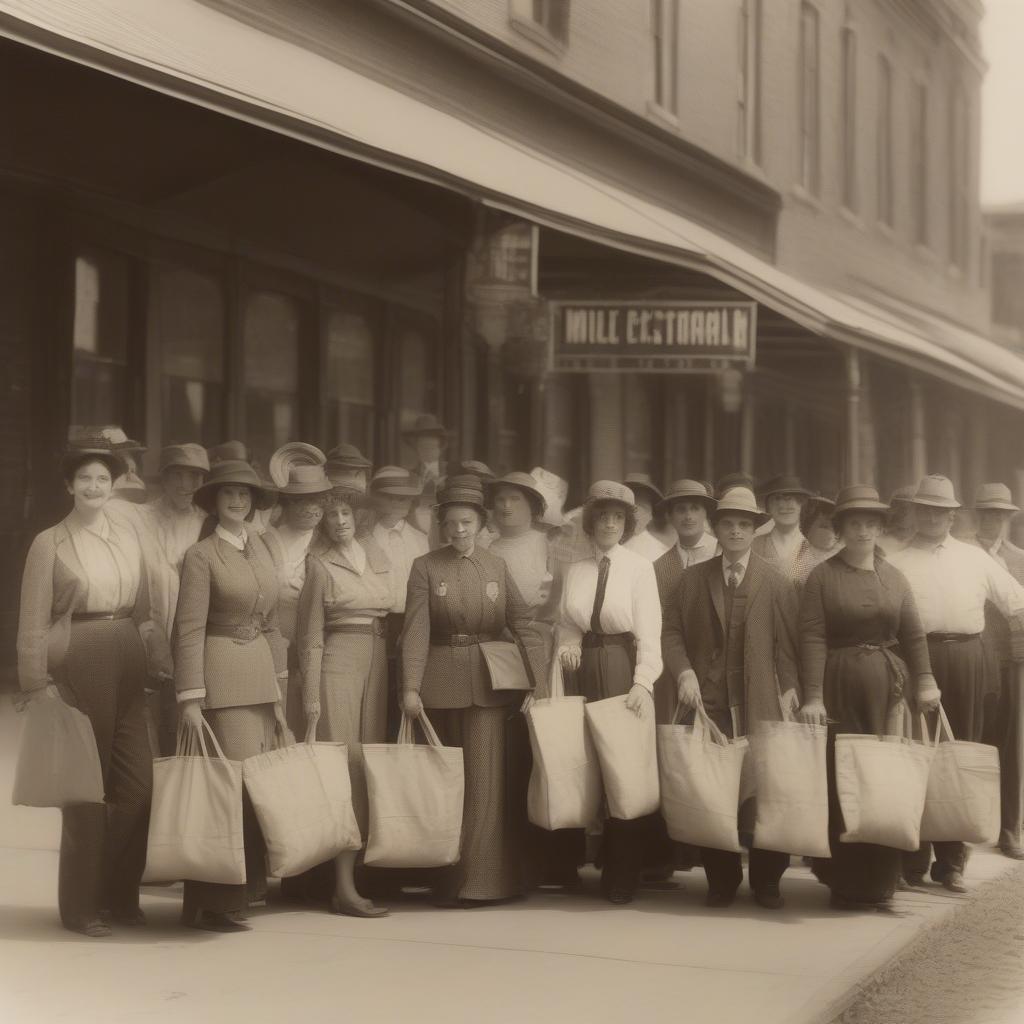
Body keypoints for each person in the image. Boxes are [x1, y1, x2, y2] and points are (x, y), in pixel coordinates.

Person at [17, 427, 155, 937]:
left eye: (103, 478)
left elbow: (145, 604)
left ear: (114, 485)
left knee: (139, 786)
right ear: (70, 486)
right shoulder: (48, 542)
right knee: (85, 790)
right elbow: (32, 618)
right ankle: (81, 906)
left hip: (126, 651)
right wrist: (37, 683)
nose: (95, 486)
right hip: (81, 654)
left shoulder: (127, 536)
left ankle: (118, 895)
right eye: (85, 478)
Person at [401, 475, 544, 906]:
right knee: (447, 786)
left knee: (485, 785)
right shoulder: (426, 566)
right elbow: (415, 632)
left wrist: (536, 680)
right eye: (452, 523)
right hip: (439, 686)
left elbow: (523, 623)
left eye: (467, 523)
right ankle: (446, 882)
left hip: (490, 687)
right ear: (442, 524)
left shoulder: (496, 566)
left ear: (481, 524)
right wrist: (410, 687)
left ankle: (483, 882)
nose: (460, 531)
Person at [798, 485, 941, 909]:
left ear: (880, 527)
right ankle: (844, 881)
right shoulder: (821, 576)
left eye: (871, 522)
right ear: (840, 528)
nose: (863, 530)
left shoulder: (894, 577)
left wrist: (927, 680)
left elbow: (913, 635)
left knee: (883, 780)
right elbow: (812, 637)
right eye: (854, 522)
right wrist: (813, 696)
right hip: (838, 686)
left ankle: (882, 881)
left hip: (886, 689)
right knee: (843, 779)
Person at [662, 486, 800, 910]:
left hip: (760, 700)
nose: (736, 531)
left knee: (764, 792)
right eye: (728, 524)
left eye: (744, 524)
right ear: (715, 528)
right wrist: (683, 672)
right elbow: (671, 632)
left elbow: (789, 643)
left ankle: (767, 881)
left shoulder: (775, 581)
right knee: (713, 789)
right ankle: (721, 880)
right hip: (711, 701)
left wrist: (790, 686)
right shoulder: (692, 579)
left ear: (755, 529)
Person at [888, 475, 1024, 892]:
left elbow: (1015, 601)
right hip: (916, 658)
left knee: (959, 754)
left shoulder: (974, 558)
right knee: (916, 755)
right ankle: (913, 859)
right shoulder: (896, 561)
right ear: (914, 513)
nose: (933, 517)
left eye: (941, 510)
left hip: (969, 657)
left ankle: (952, 863)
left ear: (952, 515)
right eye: (925, 509)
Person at [174, 459, 289, 931]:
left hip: (261, 677)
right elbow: (188, 628)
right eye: (228, 495)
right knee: (228, 790)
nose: (238, 501)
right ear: (214, 503)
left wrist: (279, 687)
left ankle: (243, 892)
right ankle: (213, 902)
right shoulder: (201, 555)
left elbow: (274, 621)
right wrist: (189, 698)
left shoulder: (261, 546)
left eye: (245, 494)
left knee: (253, 787)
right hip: (221, 677)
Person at [558, 481, 663, 904]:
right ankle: (580, 862)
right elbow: (568, 621)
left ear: (627, 524)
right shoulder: (578, 568)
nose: (609, 524)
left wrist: (643, 682)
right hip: (582, 667)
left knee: (624, 769)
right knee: (584, 763)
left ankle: (623, 873)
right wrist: (567, 645)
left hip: (621, 665)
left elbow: (650, 631)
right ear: (591, 522)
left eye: (617, 517)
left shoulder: (639, 568)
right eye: (602, 516)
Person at [298, 483, 394, 917]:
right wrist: (312, 693)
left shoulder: (376, 557)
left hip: (377, 660)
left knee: (369, 764)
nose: (339, 521)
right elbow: (310, 636)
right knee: (345, 767)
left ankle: (357, 876)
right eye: (330, 514)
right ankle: (342, 886)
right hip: (338, 660)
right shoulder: (318, 565)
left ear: (359, 517)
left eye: (345, 513)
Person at [135, 443, 211, 755]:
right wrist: (150, 634)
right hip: (147, 633)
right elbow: (134, 579)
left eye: (194, 476)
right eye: (177, 475)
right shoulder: (140, 519)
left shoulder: (207, 521)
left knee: (192, 724)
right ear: (163, 479)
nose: (186, 484)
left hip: (195, 637)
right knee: (149, 727)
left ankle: (187, 799)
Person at [971, 482, 1024, 860]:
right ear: (977, 516)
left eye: (1000, 515)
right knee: (972, 738)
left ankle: (1010, 829)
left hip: (1013, 662)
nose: (994, 521)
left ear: (1009, 519)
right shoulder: (962, 555)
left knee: (1014, 746)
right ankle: (965, 825)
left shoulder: (1020, 558)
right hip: (974, 656)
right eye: (987, 514)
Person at [263, 464, 334, 727]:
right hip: (276, 640)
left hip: (321, 644)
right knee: (279, 715)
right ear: (287, 503)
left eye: (317, 501)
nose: (310, 508)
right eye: (301, 501)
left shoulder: (330, 541)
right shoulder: (268, 540)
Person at [370, 466, 430, 738]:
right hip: (378, 624)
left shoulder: (421, 539)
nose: (397, 503)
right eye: (391, 497)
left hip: (412, 621)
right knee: (379, 690)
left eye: (404, 498)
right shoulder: (365, 538)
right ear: (377, 499)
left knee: (409, 687)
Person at [651, 479, 718, 724]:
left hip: (718, 670)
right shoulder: (660, 567)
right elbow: (660, 626)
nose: (688, 516)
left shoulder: (722, 554)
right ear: (670, 515)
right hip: (674, 671)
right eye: (680, 509)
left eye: (695, 508)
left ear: (706, 513)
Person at [752, 475, 817, 587]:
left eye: (790, 499)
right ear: (768, 506)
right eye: (777, 499)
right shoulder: (754, 546)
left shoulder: (814, 548)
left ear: (802, 505)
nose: (782, 505)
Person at [623, 473, 674, 561]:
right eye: (631, 506)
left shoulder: (661, 553)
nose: (636, 513)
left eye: (643, 507)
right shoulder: (607, 543)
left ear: (651, 515)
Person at [878, 485, 916, 556]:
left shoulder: (920, 537)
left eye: (905, 508)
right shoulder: (879, 539)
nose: (900, 512)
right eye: (895, 507)